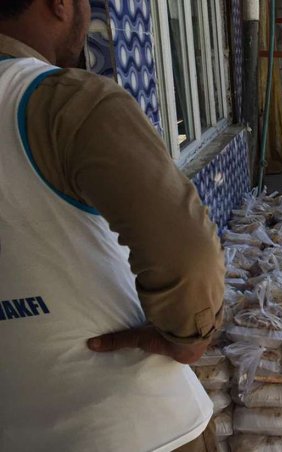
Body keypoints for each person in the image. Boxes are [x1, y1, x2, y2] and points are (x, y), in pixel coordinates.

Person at [0, 1, 225, 451]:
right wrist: (188, 335)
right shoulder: (61, 101)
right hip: (138, 428)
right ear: (60, 5)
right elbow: (187, 255)